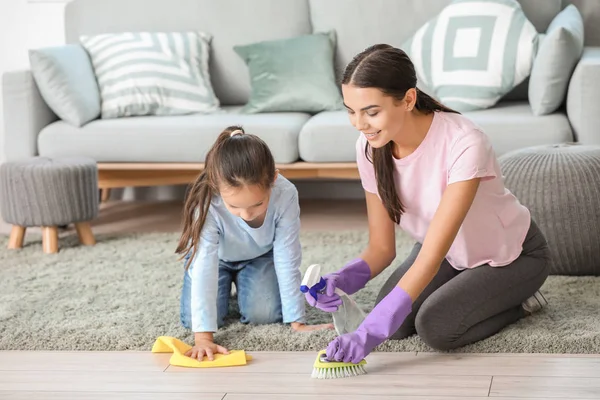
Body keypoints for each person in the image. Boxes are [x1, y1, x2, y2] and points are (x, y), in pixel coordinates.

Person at [304, 44, 551, 364]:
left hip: (509, 256)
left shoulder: (464, 143)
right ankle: (466, 292)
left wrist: (368, 335)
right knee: (394, 324)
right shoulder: (370, 146)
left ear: (407, 99)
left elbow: (430, 257)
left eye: (371, 111)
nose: (359, 124)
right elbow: (381, 249)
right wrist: (340, 281)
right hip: (450, 251)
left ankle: (522, 301)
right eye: (351, 111)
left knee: (436, 326)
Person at [177, 125, 332, 361]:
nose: (247, 214)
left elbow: (287, 257)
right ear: (217, 188)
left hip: (259, 256)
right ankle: (227, 286)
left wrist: (296, 320)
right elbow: (205, 267)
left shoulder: (285, 193)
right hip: (215, 260)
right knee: (194, 320)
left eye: (257, 205)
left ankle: (243, 283)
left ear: (274, 179)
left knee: (267, 313)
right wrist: (203, 338)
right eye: (235, 207)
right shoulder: (208, 202)